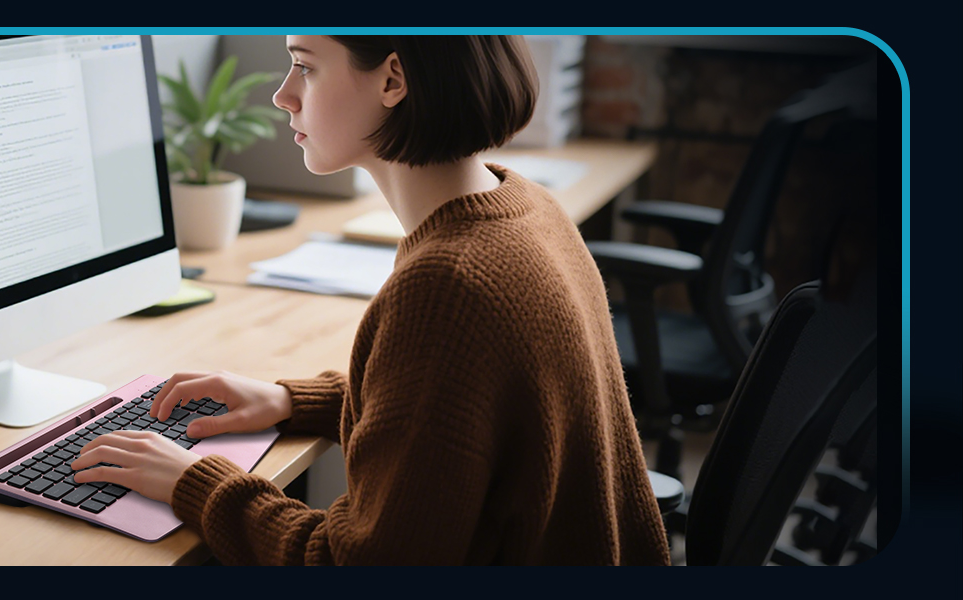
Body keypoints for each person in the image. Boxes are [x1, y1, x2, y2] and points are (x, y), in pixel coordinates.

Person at [70, 35, 671, 565]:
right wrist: (289, 401)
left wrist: (196, 483)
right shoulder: (527, 206)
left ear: (392, 79)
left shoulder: (448, 286)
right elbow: (455, 414)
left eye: (304, 66)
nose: (283, 95)